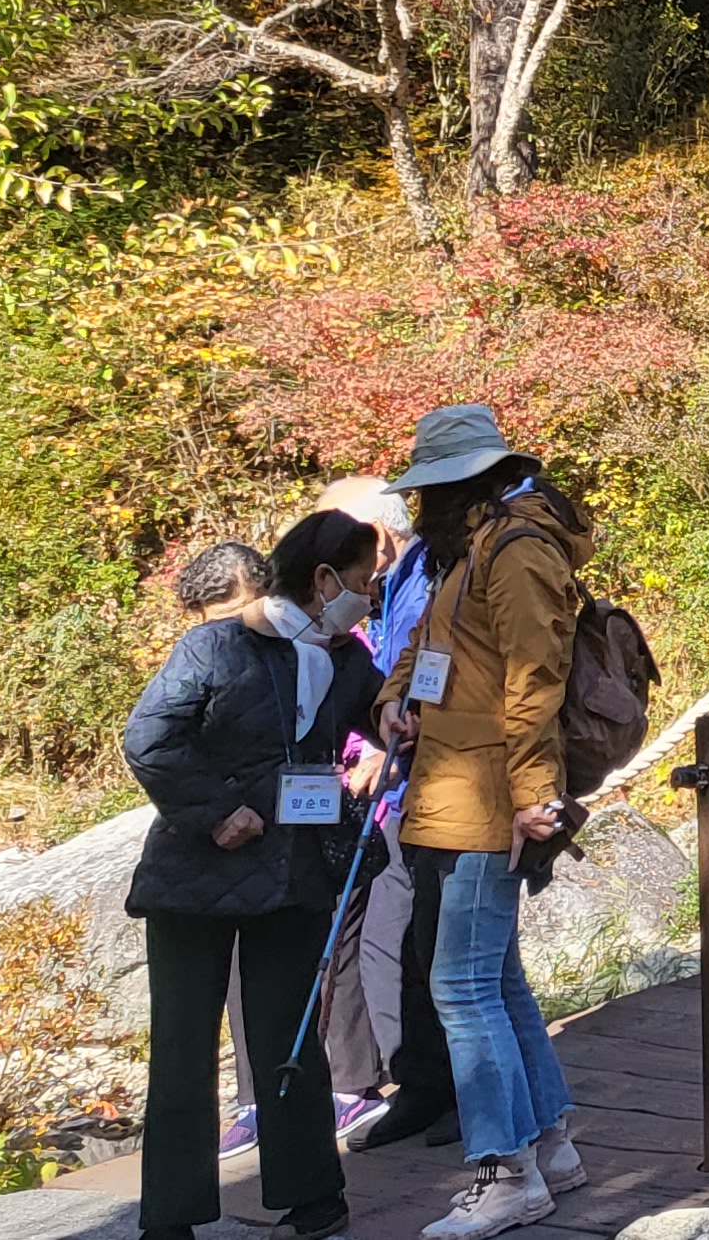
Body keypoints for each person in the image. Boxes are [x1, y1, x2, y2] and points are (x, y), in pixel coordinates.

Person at [126, 514, 383, 1240]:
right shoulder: (214, 644)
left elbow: (381, 708)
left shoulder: (345, 657)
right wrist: (213, 811)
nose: (370, 593)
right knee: (182, 1045)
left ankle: (312, 1195)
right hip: (194, 874)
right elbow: (148, 738)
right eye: (362, 580)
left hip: (292, 874)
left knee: (291, 1036)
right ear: (323, 580)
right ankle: (169, 1217)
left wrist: (396, 718)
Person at [377, 405, 591, 1240]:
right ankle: (549, 1146)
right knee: (495, 981)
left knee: (461, 987)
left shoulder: (514, 548)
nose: (419, 501)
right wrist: (393, 699)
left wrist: (536, 792)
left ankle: (504, 1173)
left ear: (458, 482)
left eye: (428, 484)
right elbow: (437, 649)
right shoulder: (472, 548)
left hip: (485, 797)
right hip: (454, 786)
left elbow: (536, 674)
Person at [307, 476, 427, 1145]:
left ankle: (415, 1088)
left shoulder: (419, 584)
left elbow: (412, 680)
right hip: (388, 787)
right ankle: (400, 1082)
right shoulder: (389, 588)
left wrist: (383, 749)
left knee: (400, 944)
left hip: (418, 791)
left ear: (379, 536)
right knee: (391, 942)